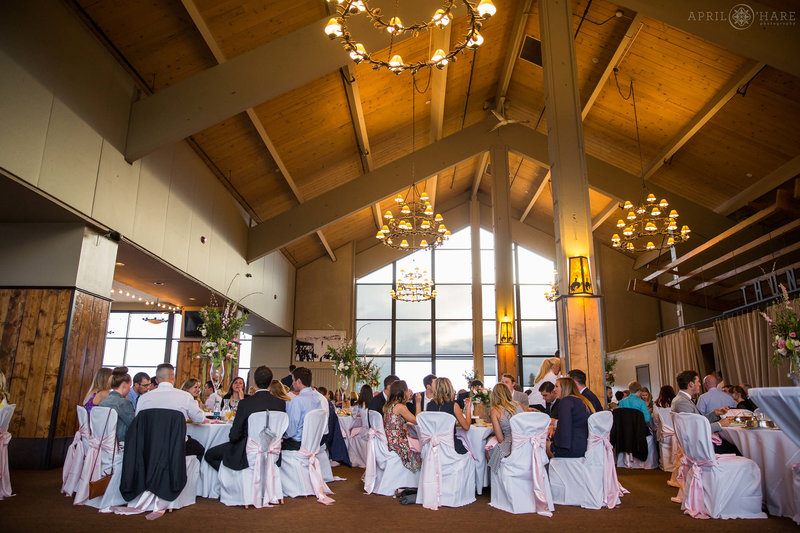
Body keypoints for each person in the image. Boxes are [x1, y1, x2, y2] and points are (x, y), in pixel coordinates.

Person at [204, 366, 286, 471]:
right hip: (273, 454)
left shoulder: (245, 403)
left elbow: (234, 436)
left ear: (254, 381)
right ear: (270, 383)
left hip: (247, 454)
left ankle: (230, 478)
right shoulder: (280, 403)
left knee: (210, 455)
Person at [136, 363, 208, 458]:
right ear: (173, 377)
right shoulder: (185, 396)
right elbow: (200, 418)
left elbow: (137, 422)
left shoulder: (143, 398)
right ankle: (183, 471)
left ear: (157, 381)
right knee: (201, 450)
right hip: (177, 446)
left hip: (149, 446)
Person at [671, 370, 737, 455]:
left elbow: (698, 421)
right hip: (698, 447)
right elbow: (694, 428)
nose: (699, 384)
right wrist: (720, 424)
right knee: (735, 446)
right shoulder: (682, 402)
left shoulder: (683, 399)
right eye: (698, 381)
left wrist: (715, 413)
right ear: (691, 384)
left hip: (699, 442)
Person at [548, 377, 594, 458]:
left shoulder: (566, 401)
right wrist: (555, 428)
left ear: (565, 387)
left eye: (557, 386)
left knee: (541, 443)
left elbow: (565, 429)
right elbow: (573, 424)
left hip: (571, 448)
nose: (554, 390)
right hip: (585, 445)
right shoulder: (583, 400)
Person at [383, 380, 422, 472]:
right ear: (403, 392)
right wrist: (418, 403)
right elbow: (418, 420)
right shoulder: (400, 406)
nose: (409, 392)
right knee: (420, 447)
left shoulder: (388, 405)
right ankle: (416, 475)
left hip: (389, 439)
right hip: (397, 441)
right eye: (407, 390)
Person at [425, 377, 470, 455]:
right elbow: (466, 427)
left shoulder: (429, 405)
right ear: (449, 388)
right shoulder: (454, 406)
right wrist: (468, 408)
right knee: (470, 456)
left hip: (434, 447)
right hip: (451, 446)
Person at [488, 383, 526, 471]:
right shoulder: (519, 405)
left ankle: (493, 482)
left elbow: (500, 439)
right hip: (524, 444)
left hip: (510, 447)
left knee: (488, 449)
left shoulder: (495, 411)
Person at [282, 367, 319, 450]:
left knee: (274, 447)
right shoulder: (317, 398)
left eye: (293, 380)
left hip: (297, 444)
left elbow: (291, 431)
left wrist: (282, 435)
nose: (292, 383)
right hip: (313, 442)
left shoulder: (297, 400)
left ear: (298, 381)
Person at [97, 366, 135, 443]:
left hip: (103, 441)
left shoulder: (104, 401)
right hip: (120, 442)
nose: (129, 389)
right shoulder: (123, 403)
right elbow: (134, 425)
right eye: (130, 385)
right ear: (124, 385)